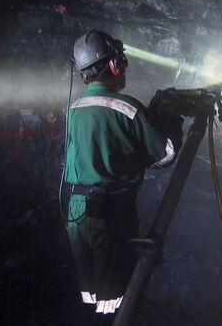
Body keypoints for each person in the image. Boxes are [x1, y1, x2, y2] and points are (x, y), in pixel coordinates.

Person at [64, 30, 183, 325]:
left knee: (92, 293)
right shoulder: (126, 108)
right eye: (123, 60)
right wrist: (168, 114)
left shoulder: (74, 109)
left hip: (76, 213)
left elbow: (101, 149)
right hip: (109, 214)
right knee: (117, 298)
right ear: (115, 65)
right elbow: (165, 154)